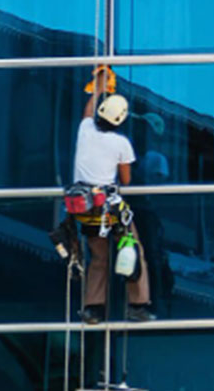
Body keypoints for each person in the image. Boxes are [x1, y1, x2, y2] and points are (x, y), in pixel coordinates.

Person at [74, 67, 156, 323]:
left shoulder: (85, 130)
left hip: (84, 207)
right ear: (121, 120)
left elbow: (88, 111)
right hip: (108, 207)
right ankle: (138, 305)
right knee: (132, 248)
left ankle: (93, 309)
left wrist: (98, 88)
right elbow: (126, 180)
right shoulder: (121, 143)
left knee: (98, 258)